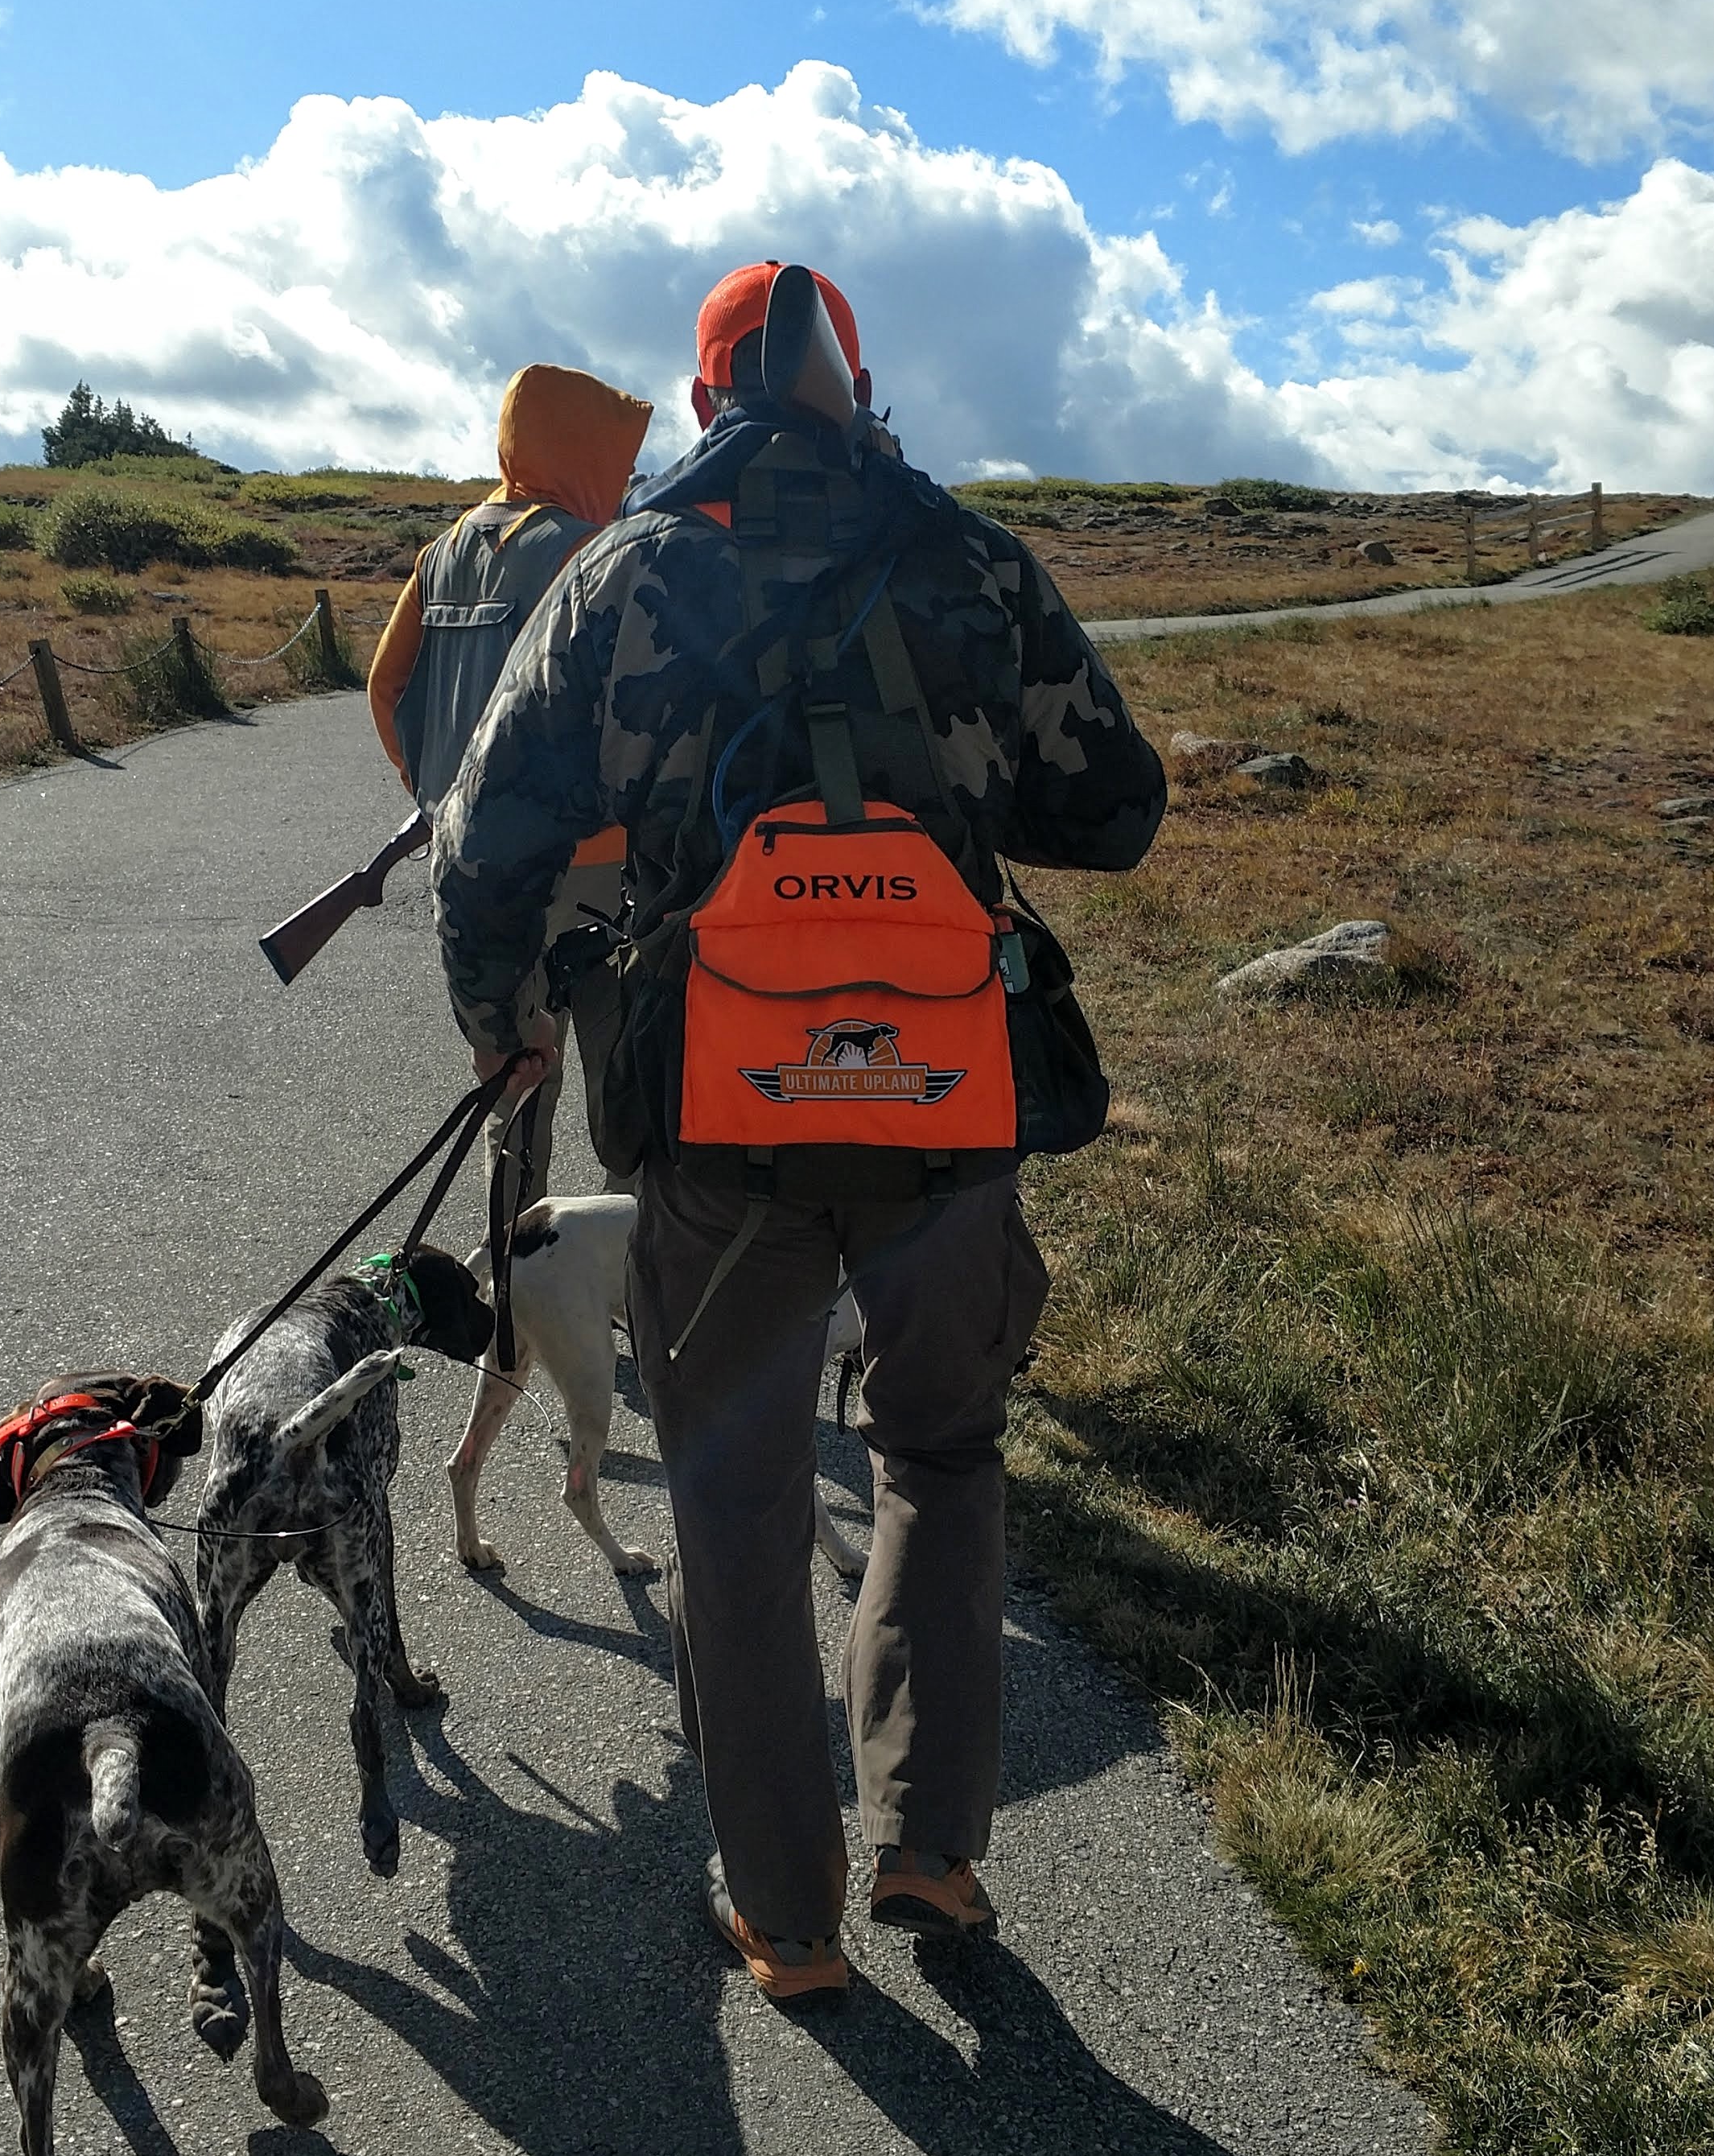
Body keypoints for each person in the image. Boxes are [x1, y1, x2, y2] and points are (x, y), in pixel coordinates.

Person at [431, 259, 1166, 1999]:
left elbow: (484, 843)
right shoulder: (971, 560)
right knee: (940, 1454)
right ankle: (930, 1844)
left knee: (735, 1504)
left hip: (713, 1111)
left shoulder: (621, 572)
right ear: (856, 389)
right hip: (945, 1102)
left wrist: (510, 1018)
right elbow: (1115, 810)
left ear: (703, 405)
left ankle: (785, 1912)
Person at [367, 357, 653, 1202]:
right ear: (576, 447)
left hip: (475, 864)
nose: (626, 475)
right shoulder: (587, 552)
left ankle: (513, 1286)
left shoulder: (442, 551)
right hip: (591, 859)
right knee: (620, 1074)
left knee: (514, 1085)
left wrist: (435, 796)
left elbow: (386, 688)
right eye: (616, 456)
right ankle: (620, 1277)